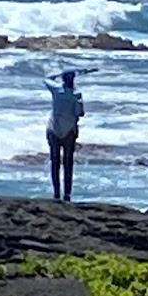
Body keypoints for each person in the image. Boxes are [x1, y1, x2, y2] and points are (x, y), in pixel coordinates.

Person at [44, 70, 85, 201]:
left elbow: (46, 79)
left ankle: (56, 192)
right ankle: (67, 194)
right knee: (68, 163)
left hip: (54, 128)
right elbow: (80, 113)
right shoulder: (76, 94)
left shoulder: (56, 90)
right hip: (69, 131)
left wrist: (59, 73)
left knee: (55, 162)